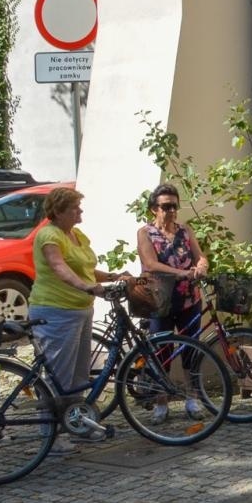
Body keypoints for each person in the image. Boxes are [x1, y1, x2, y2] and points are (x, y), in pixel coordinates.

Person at [31, 187, 126, 451]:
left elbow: (84, 268)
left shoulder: (76, 234)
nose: (80, 211)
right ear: (59, 211)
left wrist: (111, 277)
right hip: (55, 311)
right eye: (75, 207)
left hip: (80, 311)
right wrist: (86, 287)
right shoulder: (49, 235)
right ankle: (50, 434)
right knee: (58, 375)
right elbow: (60, 268)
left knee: (78, 374)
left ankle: (76, 424)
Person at [136, 183, 211, 423]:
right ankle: (161, 402)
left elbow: (200, 255)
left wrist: (201, 265)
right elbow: (150, 263)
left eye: (174, 206)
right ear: (153, 209)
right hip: (161, 301)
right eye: (166, 206)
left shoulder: (185, 231)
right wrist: (179, 273)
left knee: (191, 349)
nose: (171, 211)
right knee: (162, 353)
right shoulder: (146, 233)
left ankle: (192, 398)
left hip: (189, 299)